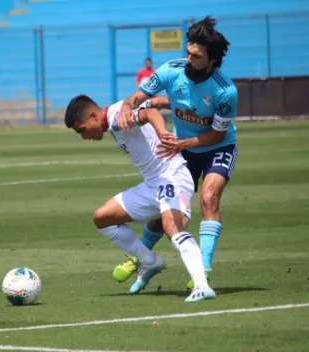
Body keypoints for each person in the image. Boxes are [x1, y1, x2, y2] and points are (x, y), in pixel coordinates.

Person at [112, 16, 239, 292]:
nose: (189, 59)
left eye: (197, 56)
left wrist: (181, 143)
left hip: (218, 147)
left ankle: (202, 269)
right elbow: (136, 98)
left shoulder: (225, 91)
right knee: (167, 210)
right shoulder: (171, 70)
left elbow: (217, 134)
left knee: (209, 197)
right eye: (188, 52)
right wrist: (125, 108)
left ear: (212, 59)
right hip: (184, 150)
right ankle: (141, 259)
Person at [64, 93, 216, 302]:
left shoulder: (118, 117)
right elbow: (155, 103)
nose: (84, 137)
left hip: (171, 177)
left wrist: (163, 134)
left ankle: (202, 285)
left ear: (93, 115)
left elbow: (150, 114)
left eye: (82, 130)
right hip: (151, 185)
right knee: (102, 218)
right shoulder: (116, 114)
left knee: (172, 227)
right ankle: (148, 260)